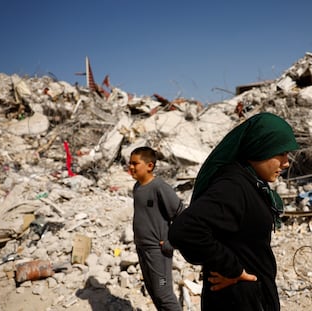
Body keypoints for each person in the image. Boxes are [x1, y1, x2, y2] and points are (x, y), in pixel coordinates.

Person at [168, 112, 299, 311]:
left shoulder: (251, 182)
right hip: (237, 298)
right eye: (280, 153)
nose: (286, 163)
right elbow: (184, 230)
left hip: (250, 294)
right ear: (260, 148)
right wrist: (233, 269)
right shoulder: (233, 186)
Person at [128, 146, 184, 311]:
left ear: (149, 166)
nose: (130, 167)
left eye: (135, 163)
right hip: (143, 249)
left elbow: (182, 215)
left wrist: (171, 242)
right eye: (129, 163)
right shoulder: (137, 187)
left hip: (157, 253)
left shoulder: (159, 187)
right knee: (153, 291)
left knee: (163, 293)